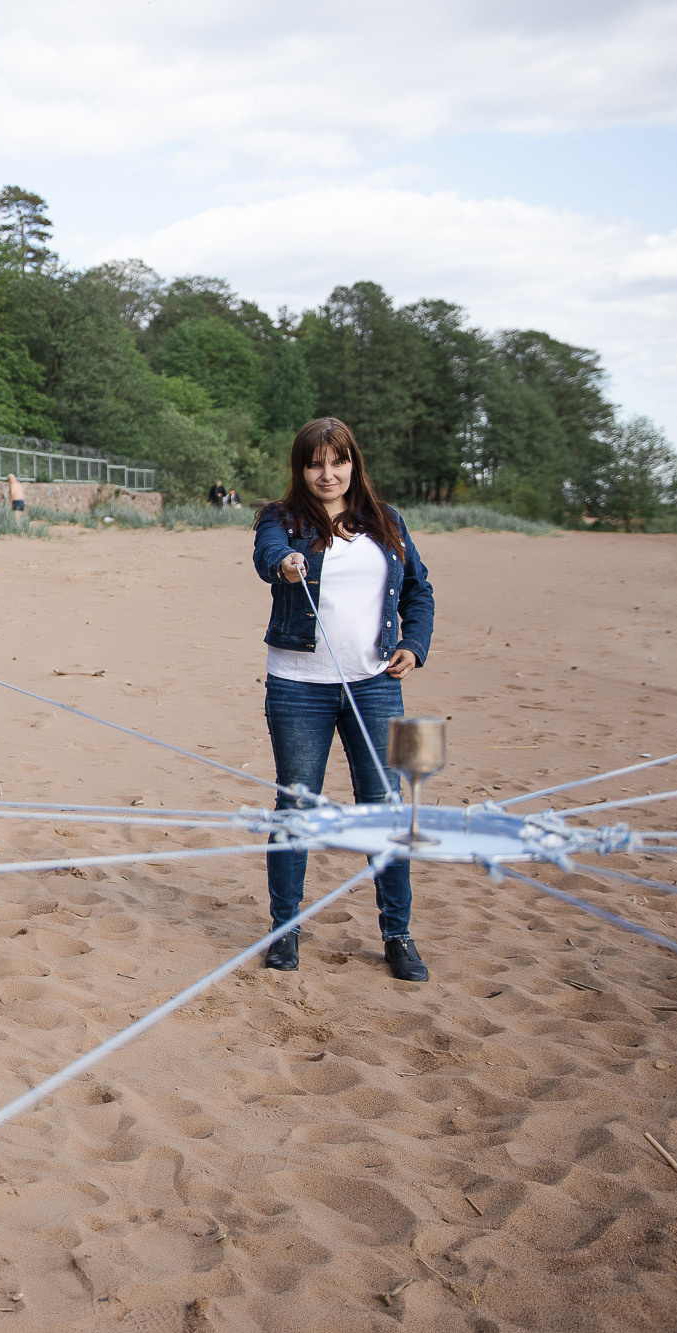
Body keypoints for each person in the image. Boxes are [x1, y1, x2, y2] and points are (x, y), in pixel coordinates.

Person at [253, 417, 436, 982]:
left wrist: (414, 645)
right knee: (297, 808)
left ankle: (398, 934)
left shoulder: (387, 522)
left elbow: (419, 591)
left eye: (337, 462)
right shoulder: (279, 520)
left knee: (384, 809)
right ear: (300, 468)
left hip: (377, 685)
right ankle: (285, 931)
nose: (326, 474)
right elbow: (268, 558)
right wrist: (285, 564)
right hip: (297, 688)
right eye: (314, 463)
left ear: (353, 463)